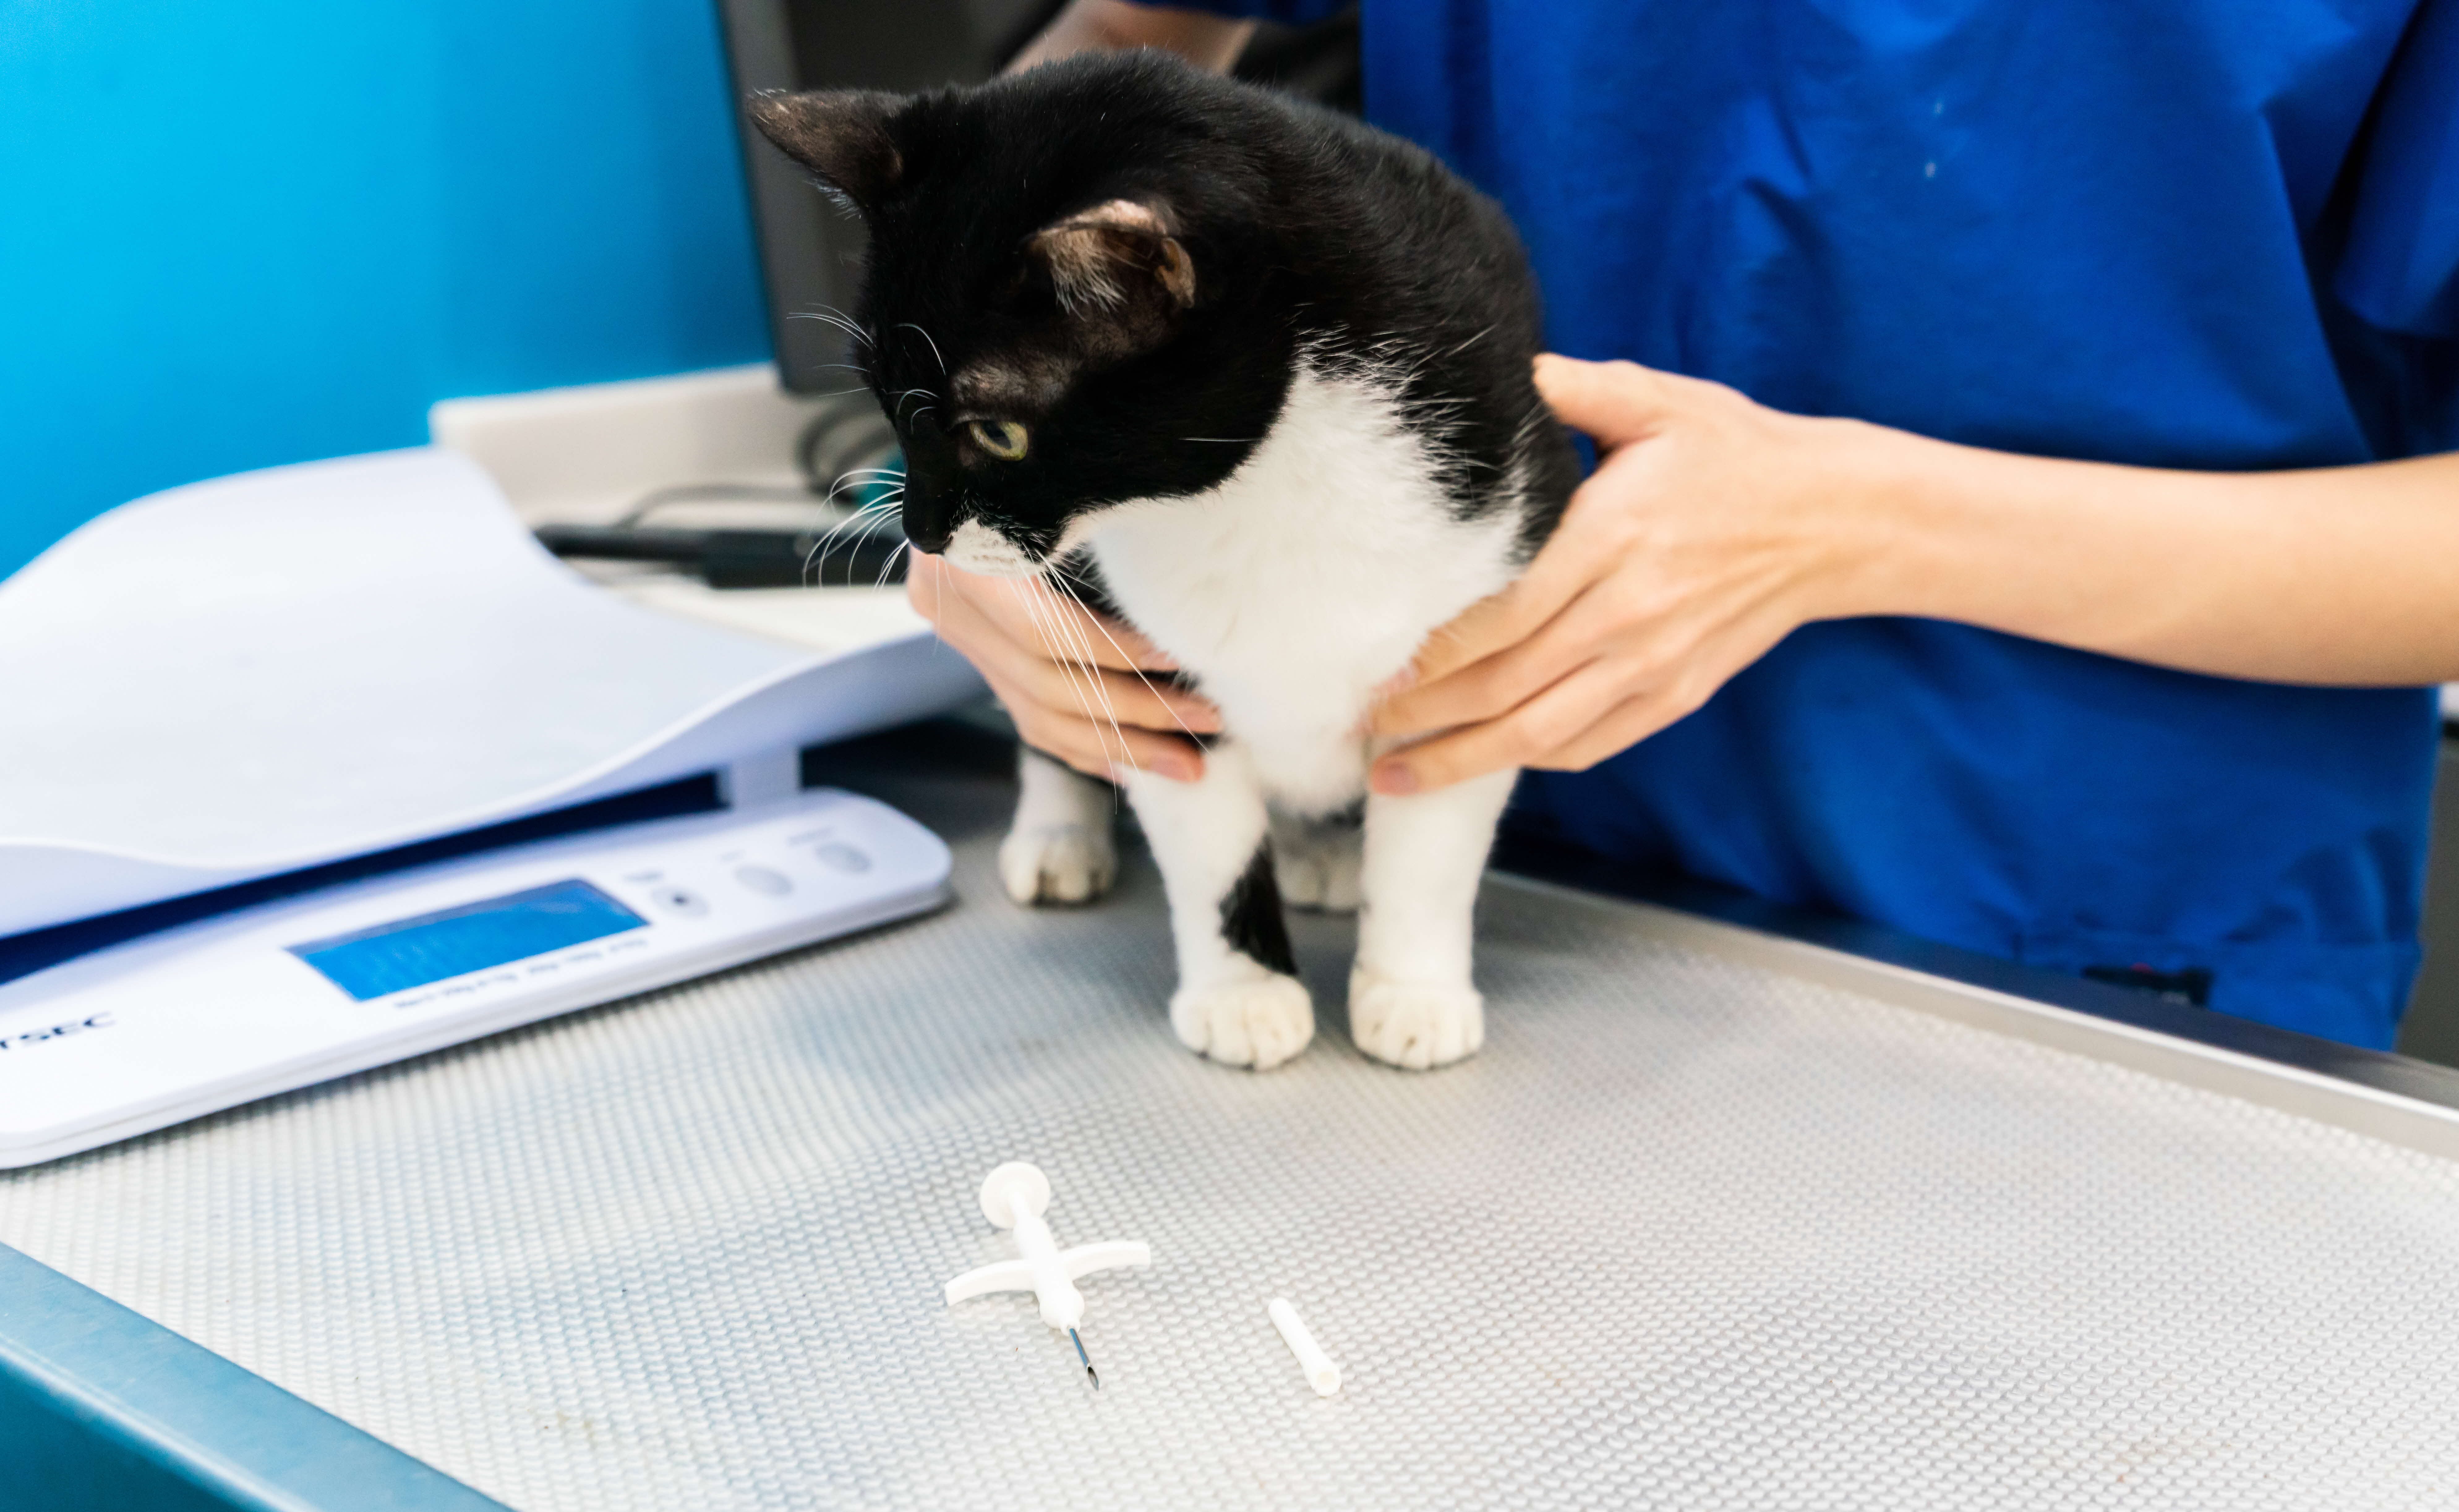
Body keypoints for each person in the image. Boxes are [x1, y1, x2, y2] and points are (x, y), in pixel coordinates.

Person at [905, 0, 2459, 1048]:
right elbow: (1115, 53)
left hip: (2088, 912)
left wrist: (1871, 528)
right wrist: (965, 429)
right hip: (1530, 893)